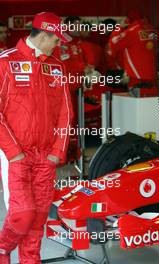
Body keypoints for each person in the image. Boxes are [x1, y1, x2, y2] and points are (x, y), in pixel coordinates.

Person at [0, 12, 73, 263]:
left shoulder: (57, 66)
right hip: (15, 154)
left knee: (39, 218)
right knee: (23, 214)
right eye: (56, 39)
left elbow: (66, 112)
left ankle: (31, 260)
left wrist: (57, 152)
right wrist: (14, 152)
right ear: (43, 35)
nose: (59, 44)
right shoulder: (5, 61)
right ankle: (2, 248)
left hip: (46, 156)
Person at [108, 11, 159, 97]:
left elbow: (112, 43)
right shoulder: (152, 30)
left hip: (137, 78)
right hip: (152, 77)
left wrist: (119, 27)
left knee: (138, 108)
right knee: (152, 107)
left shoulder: (132, 31)